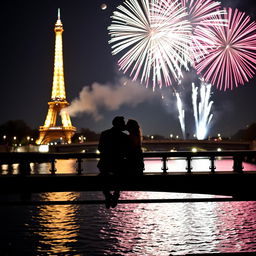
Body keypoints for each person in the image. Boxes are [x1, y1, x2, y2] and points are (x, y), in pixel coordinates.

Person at [97, 116, 129, 208]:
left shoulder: (104, 133)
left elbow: (100, 148)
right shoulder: (124, 137)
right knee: (120, 177)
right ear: (119, 124)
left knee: (102, 177)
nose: (124, 125)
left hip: (105, 164)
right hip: (118, 165)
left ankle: (108, 196)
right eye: (123, 123)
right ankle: (116, 194)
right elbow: (127, 152)